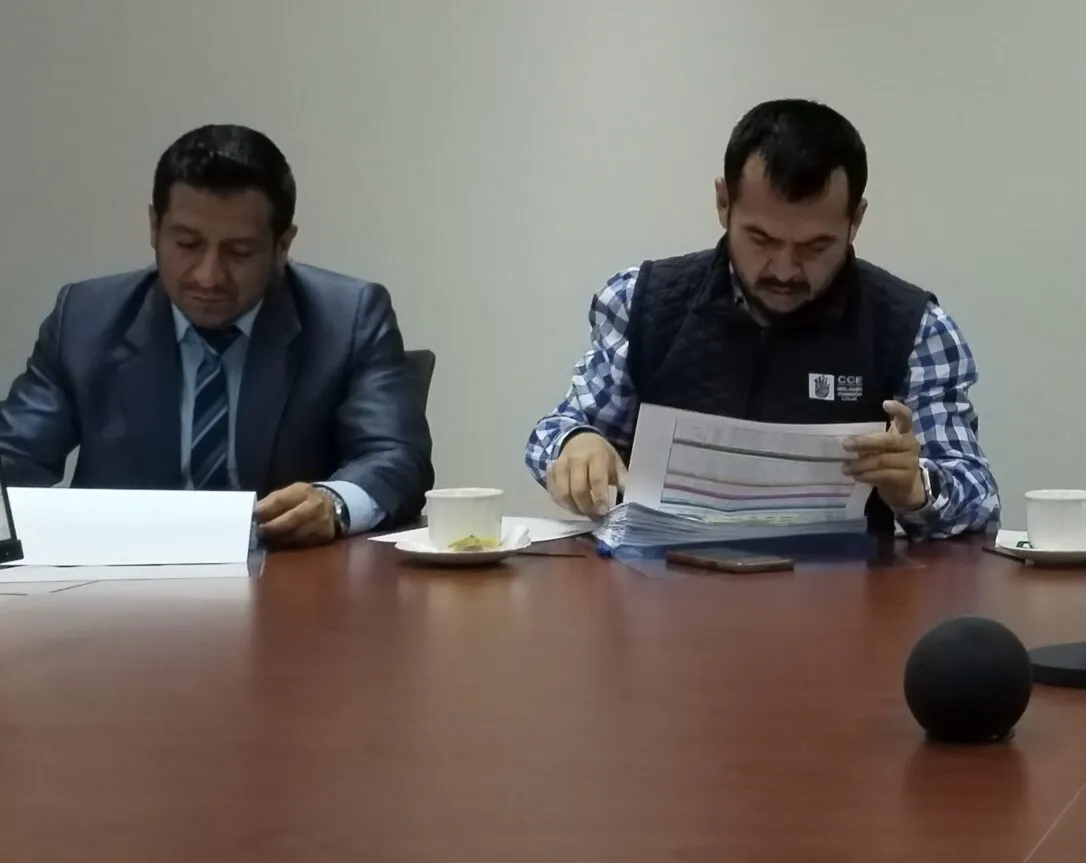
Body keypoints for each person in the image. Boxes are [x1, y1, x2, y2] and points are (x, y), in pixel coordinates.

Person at [525, 99, 999, 538]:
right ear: (723, 203)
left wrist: (916, 488)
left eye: (816, 246)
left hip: (843, 591)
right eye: (762, 239)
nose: (785, 270)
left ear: (855, 219)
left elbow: (978, 497)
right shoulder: (643, 301)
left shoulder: (913, 328)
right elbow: (556, 430)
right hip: (658, 582)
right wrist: (577, 444)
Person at [0, 124, 433, 547]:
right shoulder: (85, 319)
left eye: (239, 252)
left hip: (287, 575)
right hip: (119, 576)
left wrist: (333, 503)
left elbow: (396, 456)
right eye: (187, 244)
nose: (208, 277)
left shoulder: (348, 318)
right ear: (154, 227)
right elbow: (16, 451)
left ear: (282, 246)